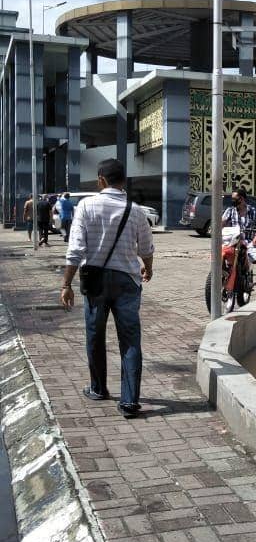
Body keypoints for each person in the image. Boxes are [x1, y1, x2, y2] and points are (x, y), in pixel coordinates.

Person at [60, 158, 154, 419]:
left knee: (94, 335)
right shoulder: (136, 210)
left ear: (101, 180)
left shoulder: (86, 206)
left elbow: (76, 250)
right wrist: (148, 268)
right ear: (123, 181)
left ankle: (99, 388)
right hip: (127, 282)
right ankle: (129, 401)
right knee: (130, 340)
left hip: (95, 281)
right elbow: (146, 247)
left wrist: (66, 283)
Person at [221, 188, 256, 295]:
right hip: (233, 241)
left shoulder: (253, 211)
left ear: (241, 199)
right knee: (221, 255)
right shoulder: (230, 210)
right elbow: (222, 223)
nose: (233, 201)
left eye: (235, 199)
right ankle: (224, 275)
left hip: (248, 242)